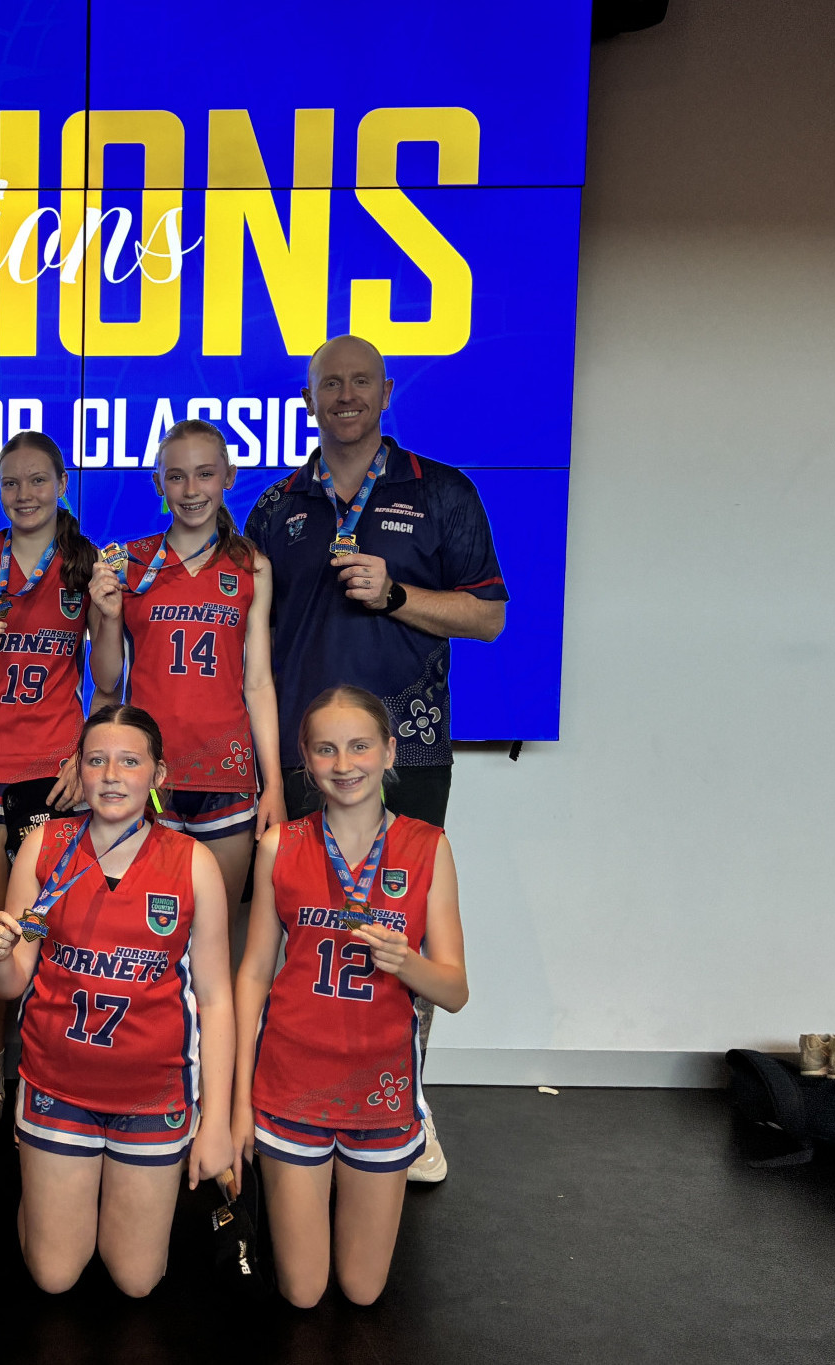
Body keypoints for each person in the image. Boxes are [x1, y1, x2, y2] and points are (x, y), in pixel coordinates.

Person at [242, 333, 506, 1181]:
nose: (345, 395)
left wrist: (398, 594)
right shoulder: (276, 505)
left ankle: (407, 1104)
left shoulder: (443, 492)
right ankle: (283, 1100)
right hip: (299, 758)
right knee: (297, 940)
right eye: (329, 384)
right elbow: (250, 647)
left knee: (399, 937)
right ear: (310, 398)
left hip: (410, 750)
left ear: (386, 392)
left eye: (361, 382)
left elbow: (490, 616)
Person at [0, 705, 234, 1297]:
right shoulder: (44, 846)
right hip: (56, 1084)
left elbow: (217, 1001)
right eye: (96, 761)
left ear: (158, 775)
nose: (112, 775)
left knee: (137, 1281)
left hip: (153, 1095)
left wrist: (215, 1121)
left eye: (129, 761)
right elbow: (11, 983)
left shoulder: (192, 863)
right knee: (55, 1276)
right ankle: (46, 1201)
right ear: (77, 771)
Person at [229, 685, 468, 1307]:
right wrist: (237, 1104)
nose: (344, 764)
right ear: (305, 761)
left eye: (360, 746)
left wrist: (407, 962)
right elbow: (253, 973)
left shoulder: (428, 847)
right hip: (290, 1083)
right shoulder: (280, 845)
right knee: (304, 1292)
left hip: (380, 1089)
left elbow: (456, 990)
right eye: (326, 750)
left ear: (391, 753)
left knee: (363, 1292)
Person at [0, 430, 103, 1147]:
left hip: (55, 774)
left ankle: (43, 1076)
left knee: (49, 938)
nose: (24, 494)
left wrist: (87, 753)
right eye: (11, 483)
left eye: (37, 480)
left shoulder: (87, 561)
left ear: (60, 481)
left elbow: (114, 678)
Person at [87, 419, 284, 924]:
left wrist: (274, 786)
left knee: (222, 929)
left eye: (204, 474)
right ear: (157, 484)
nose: (191, 490)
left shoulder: (251, 566)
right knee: (141, 926)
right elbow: (107, 681)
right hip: (148, 770)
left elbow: (258, 682)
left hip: (227, 771)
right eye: (176, 476)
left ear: (229, 477)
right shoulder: (128, 563)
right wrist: (106, 616)